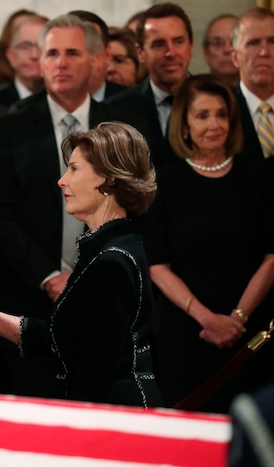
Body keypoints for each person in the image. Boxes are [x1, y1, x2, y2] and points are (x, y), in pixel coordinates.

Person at [0, 122, 162, 407]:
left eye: (74, 169)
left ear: (108, 177)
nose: (62, 180)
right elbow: (60, 337)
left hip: (117, 414)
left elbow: (94, 370)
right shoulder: (108, 248)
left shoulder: (111, 261)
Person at [0, 14, 112, 397]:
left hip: (106, 293)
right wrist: (49, 276)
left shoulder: (121, 125)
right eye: (52, 53)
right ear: (39, 61)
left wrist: (90, 274)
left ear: (94, 60)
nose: (61, 62)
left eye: (72, 53)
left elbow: (133, 208)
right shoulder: (9, 127)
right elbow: (1, 213)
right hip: (31, 294)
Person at [143, 74, 274, 413]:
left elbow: (272, 256)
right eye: (202, 115)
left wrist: (238, 317)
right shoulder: (165, 182)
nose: (214, 124)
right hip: (187, 333)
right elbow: (157, 265)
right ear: (184, 125)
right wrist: (209, 320)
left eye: (221, 114)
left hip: (251, 332)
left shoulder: (258, 177)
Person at [106, 2, 194, 168]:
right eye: (159, 44)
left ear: (191, 46)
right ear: (141, 53)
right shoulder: (116, 111)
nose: (170, 53)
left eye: (178, 41)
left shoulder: (217, 102)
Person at [231, 8, 274, 160]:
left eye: (272, 42)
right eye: (253, 43)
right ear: (235, 56)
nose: (264, 52)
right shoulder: (222, 109)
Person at [69, 10, 127, 102]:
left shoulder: (132, 104)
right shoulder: (39, 109)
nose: (83, 61)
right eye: (72, 53)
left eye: (90, 49)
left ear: (107, 54)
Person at [0, 13, 47, 107]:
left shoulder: (67, 99)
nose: (34, 55)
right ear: (11, 56)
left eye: (42, 47)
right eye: (25, 47)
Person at [202, 14, 239, 88]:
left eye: (234, 42)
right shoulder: (193, 95)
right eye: (218, 43)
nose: (227, 50)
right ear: (206, 53)